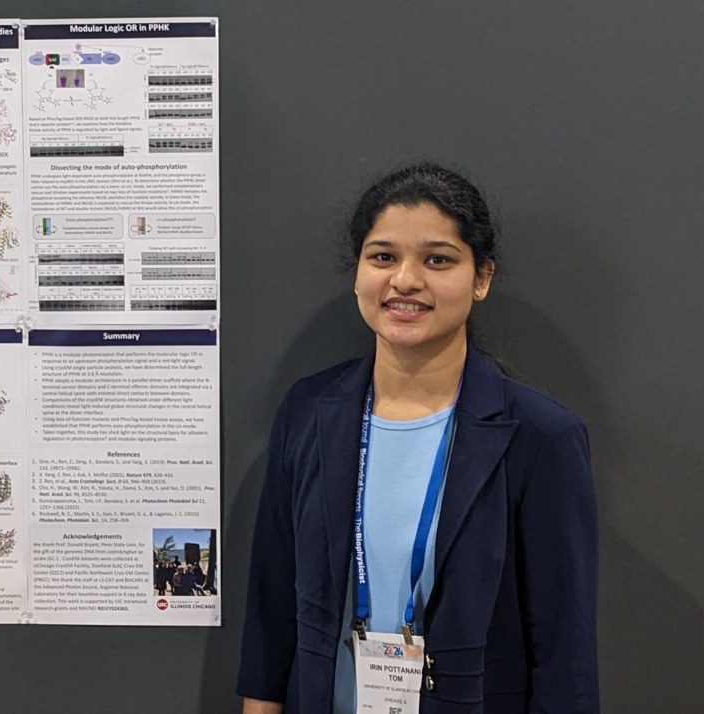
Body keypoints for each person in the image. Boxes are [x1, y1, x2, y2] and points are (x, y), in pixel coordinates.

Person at [236, 164, 599, 713]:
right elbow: (271, 611)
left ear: (482, 278)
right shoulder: (309, 413)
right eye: (383, 257)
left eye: (437, 260)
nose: (405, 280)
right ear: (358, 272)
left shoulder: (540, 437)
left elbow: (563, 654)